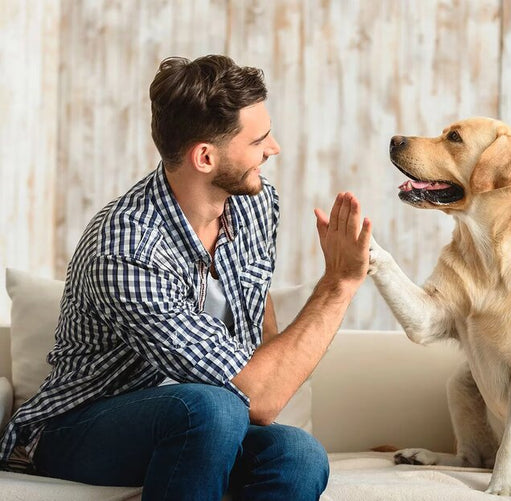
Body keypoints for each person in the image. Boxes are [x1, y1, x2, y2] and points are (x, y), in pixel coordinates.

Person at [0, 54, 372, 500]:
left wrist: (265, 378)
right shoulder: (125, 247)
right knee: (212, 408)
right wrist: (339, 283)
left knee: (298, 453)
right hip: (77, 426)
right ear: (205, 157)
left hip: (205, 421)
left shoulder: (255, 204)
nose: (273, 150)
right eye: (260, 140)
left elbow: (261, 350)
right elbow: (261, 395)